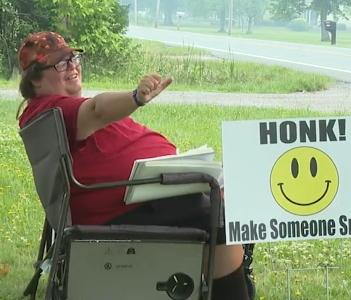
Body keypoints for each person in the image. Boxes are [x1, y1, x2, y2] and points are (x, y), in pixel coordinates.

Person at [16, 31, 250, 299]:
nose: (72, 66)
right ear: (34, 78)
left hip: (151, 191)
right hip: (130, 202)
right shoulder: (51, 109)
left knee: (236, 202)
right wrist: (135, 98)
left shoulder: (63, 109)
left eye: (73, 58)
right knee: (224, 217)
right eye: (60, 63)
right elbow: (97, 110)